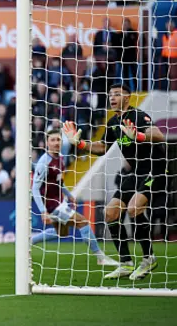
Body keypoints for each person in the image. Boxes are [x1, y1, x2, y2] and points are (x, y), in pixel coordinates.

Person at [63, 83, 168, 280]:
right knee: (110, 212)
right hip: (135, 172)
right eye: (110, 94)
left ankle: (149, 258)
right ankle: (126, 262)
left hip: (156, 169)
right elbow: (103, 147)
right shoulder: (112, 123)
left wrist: (138, 135)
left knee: (134, 208)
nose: (112, 98)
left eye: (117, 94)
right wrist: (80, 143)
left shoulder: (137, 116)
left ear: (127, 98)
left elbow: (159, 135)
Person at [31, 129, 119, 266]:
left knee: (62, 233)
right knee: (82, 222)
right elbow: (35, 189)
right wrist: (43, 211)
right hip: (51, 205)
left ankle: (30, 241)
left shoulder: (60, 157)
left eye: (58, 140)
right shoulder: (44, 162)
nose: (56, 143)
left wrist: (69, 195)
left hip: (60, 201)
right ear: (47, 143)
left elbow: (58, 181)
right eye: (52, 140)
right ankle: (100, 257)